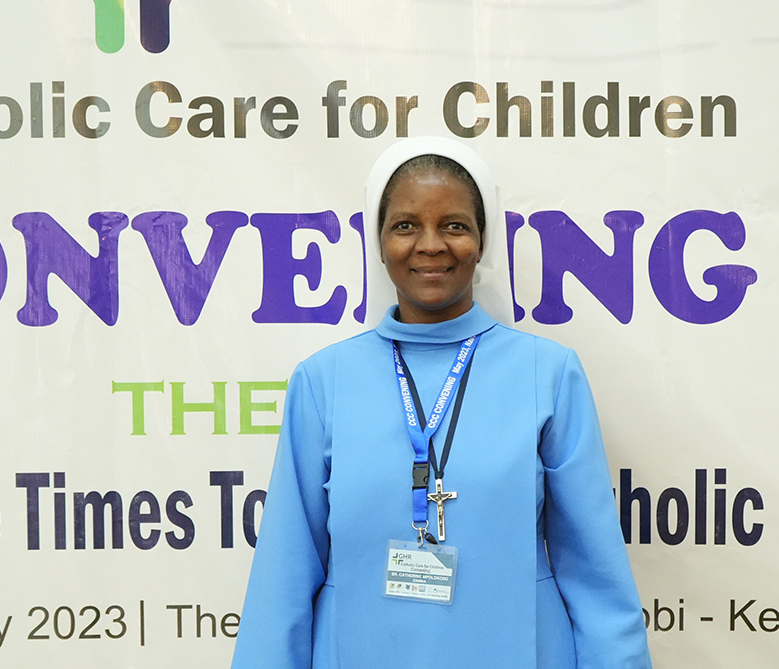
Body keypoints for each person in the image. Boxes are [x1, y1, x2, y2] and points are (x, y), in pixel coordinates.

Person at [231, 137, 652, 668]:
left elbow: (596, 576)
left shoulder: (548, 373)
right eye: (405, 225)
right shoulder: (323, 381)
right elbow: (283, 578)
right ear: (379, 242)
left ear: (482, 241)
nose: (430, 244)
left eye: (454, 225)